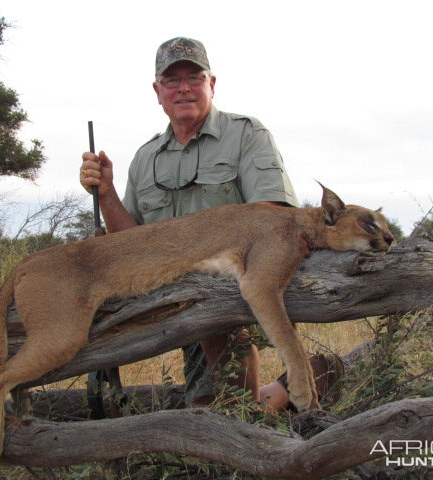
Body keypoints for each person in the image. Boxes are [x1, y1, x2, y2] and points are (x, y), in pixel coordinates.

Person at [80, 37, 305, 410]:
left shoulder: (247, 134)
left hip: (228, 292)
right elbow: (132, 245)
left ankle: (235, 408)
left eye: (194, 77)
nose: (183, 88)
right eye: (172, 80)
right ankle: (270, 396)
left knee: (218, 409)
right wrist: (105, 194)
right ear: (158, 91)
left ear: (211, 84)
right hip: (166, 295)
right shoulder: (145, 158)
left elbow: (275, 219)